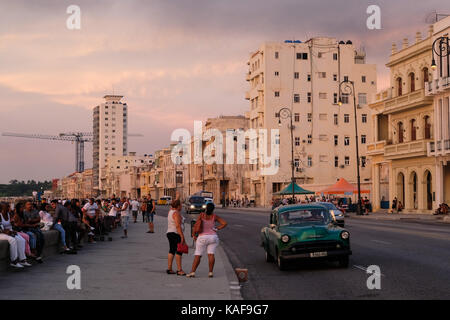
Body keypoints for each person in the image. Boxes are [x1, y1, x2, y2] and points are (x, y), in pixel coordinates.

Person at [186, 203, 227, 278]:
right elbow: (224, 223)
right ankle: (210, 272)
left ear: (206, 208)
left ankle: (192, 272)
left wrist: (194, 235)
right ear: (213, 209)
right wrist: (217, 228)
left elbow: (196, 225)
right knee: (211, 254)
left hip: (202, 237)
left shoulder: (202, 215)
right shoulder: (214, 216)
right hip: (213, 237)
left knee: (198, 255)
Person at [0, 202, 32, 267]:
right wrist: (6, 231)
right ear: (2, 208)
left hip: (10, 231)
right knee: (12, 240)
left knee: (22, 240)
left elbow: (12, 225)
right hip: (1, 233)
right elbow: (1, 228)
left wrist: (12, 225)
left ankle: (22, 260)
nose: (9, 208)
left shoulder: (9, 214)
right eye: (7, 206)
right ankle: (14, 261)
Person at [166, 199, 186, 276]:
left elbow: (173, 204)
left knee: (172, 250)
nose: (181, 206)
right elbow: (178, 225)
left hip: (170, 232)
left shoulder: (170, 211)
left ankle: (169, 268)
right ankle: (179, 270)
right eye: (181, 205)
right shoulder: (176, 213)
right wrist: (182, 236)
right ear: (178, 206)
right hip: (175, 233)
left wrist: (177, 197)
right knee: (179, 251)